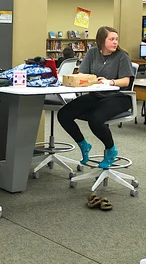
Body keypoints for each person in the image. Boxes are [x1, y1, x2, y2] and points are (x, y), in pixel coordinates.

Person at [57, 26, 135, 169]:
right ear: (101, 40)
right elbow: (82, 74)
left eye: (116, 39)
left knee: (95, 119)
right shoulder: (92, 53)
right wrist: (68, 79)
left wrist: (110, 82)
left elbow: (126, 81)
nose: (115, 42)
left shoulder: (122, 56)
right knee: (64, 114)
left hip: (119, 97)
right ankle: (84, 144)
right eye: (111, 39)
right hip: (96, 95)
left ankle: (111, 150)